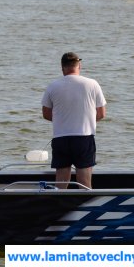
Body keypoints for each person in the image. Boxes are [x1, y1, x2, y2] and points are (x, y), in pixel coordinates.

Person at [42, 52, 106, 189]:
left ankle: (60, 208)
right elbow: (101, 113)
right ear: (79, 66)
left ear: (62, 67)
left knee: (61, 183)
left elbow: (46, 114)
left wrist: (64, 120)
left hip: (61, 138)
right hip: (84, 137)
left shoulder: (53, 86)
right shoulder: (92, 84)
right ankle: (85, 208)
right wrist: (84, 119)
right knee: (85, 182)